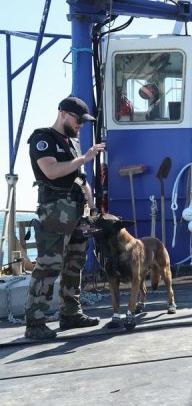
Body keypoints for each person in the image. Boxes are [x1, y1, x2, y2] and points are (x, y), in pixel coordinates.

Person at [24, 96, 106, 341]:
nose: (80, 124)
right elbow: (51, 171)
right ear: (62, 114)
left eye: (83, 121)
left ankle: (71, 313)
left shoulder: (73, 142)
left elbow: (80, 178)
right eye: (78, 119)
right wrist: (85, 158)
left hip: (77, 211)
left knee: (75, 263)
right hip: (54, 212)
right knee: (49, 266)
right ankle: (35, 322)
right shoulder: (42, 139)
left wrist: (92, 208)